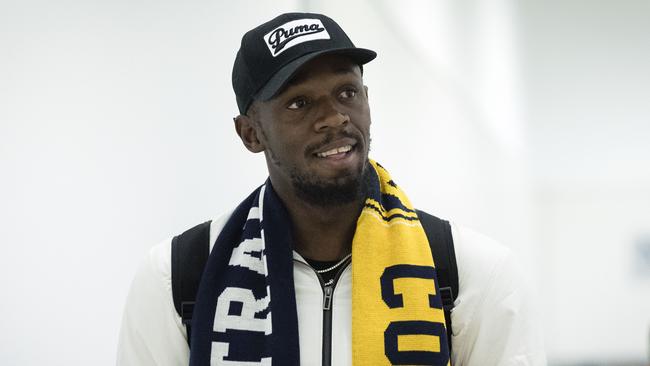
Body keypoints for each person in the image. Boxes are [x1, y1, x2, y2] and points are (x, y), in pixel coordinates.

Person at [117, 12, 546, 366]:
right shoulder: (179, 279)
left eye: (347, 92)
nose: (335, 117)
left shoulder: (468, 274)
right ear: (250, 134)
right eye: (299, 103)